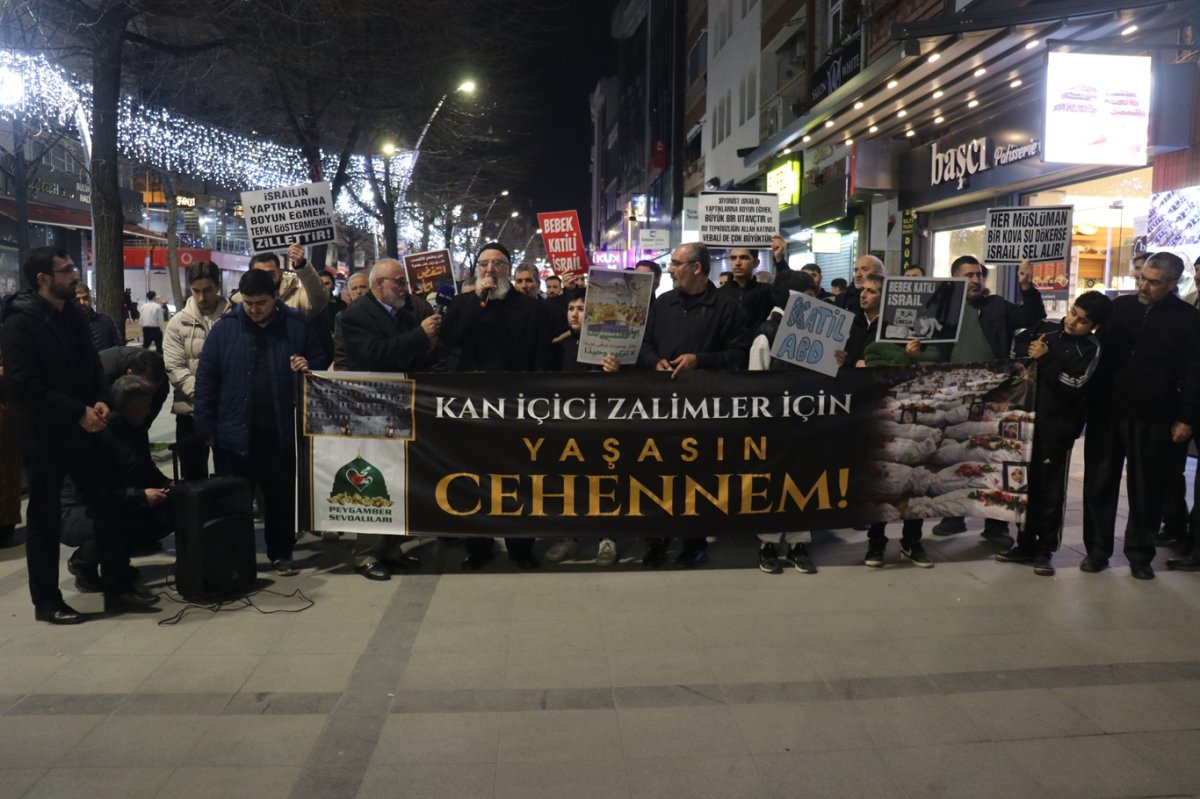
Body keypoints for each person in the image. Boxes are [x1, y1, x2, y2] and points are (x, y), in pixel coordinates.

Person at [0, 246, 157, 623]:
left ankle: (118, 587)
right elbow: (23, 386)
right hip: (44, 435)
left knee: (106, 504)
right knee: (43, 517)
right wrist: (77, 411)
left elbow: (89, 363)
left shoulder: (71, 312)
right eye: (67, 270)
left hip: (84, 428)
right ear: (43, 279)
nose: (75, 274)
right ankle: (47, 602)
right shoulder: (19, 323)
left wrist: (101, 400)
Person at [194, 269, 329, 577]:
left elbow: (321, 364)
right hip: (233, 434)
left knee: (280, 497)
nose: (253, 309)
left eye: (261, 303)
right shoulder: (225, 330)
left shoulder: (296, 326)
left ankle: (281, 552)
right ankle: (238, 556)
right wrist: (206, 428)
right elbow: (206, 381)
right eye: (248, 303)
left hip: (280, 431)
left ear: (276, 298)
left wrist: (308, 367)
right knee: (235, 499)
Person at [1082, 252, 1200, 580]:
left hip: (1155, 414)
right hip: (1108, 410)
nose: (1144, 286)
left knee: (1147, 487)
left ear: (1173, 283)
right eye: (1142, 278)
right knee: (1099, 482)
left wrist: (1186, 417)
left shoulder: (1187, 319)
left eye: (1153, 282)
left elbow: (1194, 372)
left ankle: (1139, 554)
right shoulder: (1119, 308)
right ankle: (1097, 550)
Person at [440, 242, 553, 570]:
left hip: (517, 407)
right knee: (473, 477)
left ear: (509, 269)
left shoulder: (531, 309)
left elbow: (539, 358)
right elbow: (451, 340)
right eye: (484, 263)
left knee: (518, 478)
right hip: (472, 408)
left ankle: (520, 547)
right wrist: (478, 302)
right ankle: (478, 546)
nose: (490, 269)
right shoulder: (464, 304)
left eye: (498, 264)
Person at [638, 242, 749, 568]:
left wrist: (699, 360)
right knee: (657, 474)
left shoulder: (727, 308)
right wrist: (653, 361)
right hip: (660, 407)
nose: (670, 269)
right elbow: (644, 343)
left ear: (696, 268)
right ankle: (656, 539)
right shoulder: (662, 303)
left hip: (703, 409)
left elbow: (738, 355)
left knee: (696, 477)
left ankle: (694, 541)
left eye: (675, 264)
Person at [334, 258, 439, 579]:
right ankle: (366, 553)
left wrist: (428, 341)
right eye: (398, 283)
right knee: (371, 482)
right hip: (369, 408)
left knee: (396, 479)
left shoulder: (403, 313)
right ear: (379, 285)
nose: (404, 289)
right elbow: (375, 353)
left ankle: (392, 547)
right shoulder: (355, 316)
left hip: (398, 405)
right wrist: (419, 335)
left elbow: (410, 354)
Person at [996, 291, 1112, 577]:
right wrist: (1032, 351)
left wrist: (1047, 359)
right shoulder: (1046, 328)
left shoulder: (1090, 348)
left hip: (1057, 427)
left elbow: (1073, 385)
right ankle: (1023, 543)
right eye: (1073, 312)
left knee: (1049, 490)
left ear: (1093, 326)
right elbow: (1018, 349)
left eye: (1083, 321)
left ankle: (1045, 549)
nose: (1073, 322)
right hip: (1025, 421)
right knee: (1023, 485)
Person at [932, 255, 1045, 542]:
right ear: (955, 278)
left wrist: (1027, 286)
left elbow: (1031, 317)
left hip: (996, 395)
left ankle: (995, 524)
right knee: (955, 456)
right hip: (956, 395)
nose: (975, 280)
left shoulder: (996, 305)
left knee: (994, 457)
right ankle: (954, 515)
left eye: (979, 275)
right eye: (968, 275)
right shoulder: (942, 308)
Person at [62, 375, 172, 592]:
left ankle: (119, 560)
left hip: (114, 498)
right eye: (146, 406)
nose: (150, 410)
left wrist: (168, 484)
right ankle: (84, 564)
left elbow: (145, 469)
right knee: (114, 520)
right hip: (77, 509)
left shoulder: (135, 429)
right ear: (130, 407)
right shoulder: (103, 436)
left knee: (166, 512)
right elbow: (100, 492)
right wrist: (140, 498)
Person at [747, 270, 824, 575]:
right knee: (773, 483)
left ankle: (798, 543)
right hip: (776, 425)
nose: (816, 301)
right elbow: (755, 384)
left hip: (806, 422)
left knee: (803, 482)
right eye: (811, 295)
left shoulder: (814, 330)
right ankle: (767, 543)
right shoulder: (767, 333)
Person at [544, 288, 621, 567]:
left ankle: (607, 537)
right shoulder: (558, 344)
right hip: (567, 426)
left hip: (601, 425)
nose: (575, 314)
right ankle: (569, 537)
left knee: (603, 479)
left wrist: (616, 371)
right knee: (568, 481)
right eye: (571, 309)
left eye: (581, 309)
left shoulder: (609, 345)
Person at [163, 261, 229, 480]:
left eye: (207, 290)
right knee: (193, 479)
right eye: (196, 291)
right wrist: (204, 399)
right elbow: (175, 368)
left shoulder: (234, 318)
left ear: (218, 286)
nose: (202, 297)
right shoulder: (177, 323)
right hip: (189, 412)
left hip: (227, 413)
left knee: (230, 476)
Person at [231, 242, 328, 319]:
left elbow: (318, 301)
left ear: (280, 273)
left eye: (270, 274)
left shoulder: (297, 296)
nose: (265, 278)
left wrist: (302, 266)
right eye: (259, 273)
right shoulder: (237, 300)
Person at [719, 248, 774, 328]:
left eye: (744, 258)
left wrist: (780, 262)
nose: (737, 263)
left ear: (756, 263)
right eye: (733, 258)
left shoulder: (767, 292)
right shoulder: (719, 295)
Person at [76, 285, 123, 350]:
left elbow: (118, 350)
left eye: (85, 298)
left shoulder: (106, 322)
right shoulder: (65, 326)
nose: (82, 302)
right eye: (77, 299)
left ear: (90, 298)